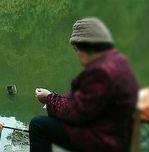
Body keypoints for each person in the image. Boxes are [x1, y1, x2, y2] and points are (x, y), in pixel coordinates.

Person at [30, 17, 138, 152]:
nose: (77, 55)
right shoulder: (117, 61)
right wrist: (53, 97)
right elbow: (83, 99)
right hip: (114, 131)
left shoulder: (102, 73)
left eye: (76, 49)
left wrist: (48, 98)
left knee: (38, 125)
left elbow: (76, 111)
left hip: (104, 140)